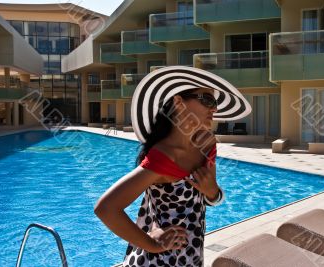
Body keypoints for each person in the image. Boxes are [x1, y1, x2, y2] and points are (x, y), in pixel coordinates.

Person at [94, 66, 251, 267]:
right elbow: (106, 208)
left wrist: (213, 192)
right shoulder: (164, 157)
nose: (214, 108)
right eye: (207, 100)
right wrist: (152, 244)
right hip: (159, 262)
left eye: (215, 102)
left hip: (192, 256)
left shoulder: (206, 145)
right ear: (178, 102)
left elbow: (211, 196)